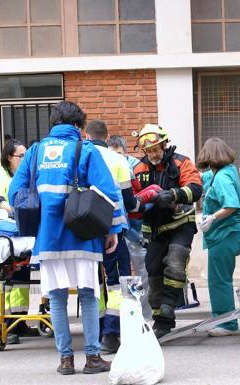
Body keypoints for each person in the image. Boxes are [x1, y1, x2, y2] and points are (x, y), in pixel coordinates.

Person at [8, 101, 123, 375]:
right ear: (77, 125)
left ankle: (66, 359)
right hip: (83, 235)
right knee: (89, 295)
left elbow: (15, 191)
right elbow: (109, 192)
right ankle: (93, 357)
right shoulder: (85, 149)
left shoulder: (35, 151)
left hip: (48, 238)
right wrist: (113, 230)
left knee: (57, 299)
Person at [132, 124, 203, 338]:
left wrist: (173, 194)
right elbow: (134, 197)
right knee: (153, 270)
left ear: (164, 144)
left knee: (175, 261)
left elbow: (196, 189)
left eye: (156, 148)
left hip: (181, 223)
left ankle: (169, 308)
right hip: (155, 227)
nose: (153, 154)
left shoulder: (181, 162)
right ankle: (160, 319)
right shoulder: (139, 170)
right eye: (148, 150)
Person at [85, 120, 140, 354]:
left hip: (84, 230)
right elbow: (129, 201)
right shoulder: (118, 160)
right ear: (107, 138)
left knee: (92, 282)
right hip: (114, 228)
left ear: (86, 136)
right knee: (118, 281)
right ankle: (112, 333)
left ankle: (94, 331)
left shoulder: (80, 156)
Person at [197, 138, 240, 337]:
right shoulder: (225, 172)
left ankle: (227, 324)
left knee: (219, 280)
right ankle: (223, 319)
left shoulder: (223, 178)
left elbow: (232, 204)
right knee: (219, 278)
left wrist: (212, 217)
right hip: (227, 233)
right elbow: (206, 178)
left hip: (225, 233)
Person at [0, 139, 28, 345]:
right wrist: (16, 210)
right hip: (3, 234)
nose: (25, 158)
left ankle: (19, 321)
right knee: (3, 281)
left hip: (21, 232)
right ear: (9, 157)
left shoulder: (25, 175)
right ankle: (0, 323)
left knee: (21, 280)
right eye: (21, 155)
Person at [107, 134, 152, 322]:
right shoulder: (109, 165)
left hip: (135, 228)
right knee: (123, 277)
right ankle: (130, 318)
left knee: (142, 273)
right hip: (118, 228)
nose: (117, 157)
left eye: (119, 153)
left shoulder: (136, 168)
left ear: (125, 152)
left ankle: (145, 317)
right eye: (113, 154)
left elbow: (135, 202)